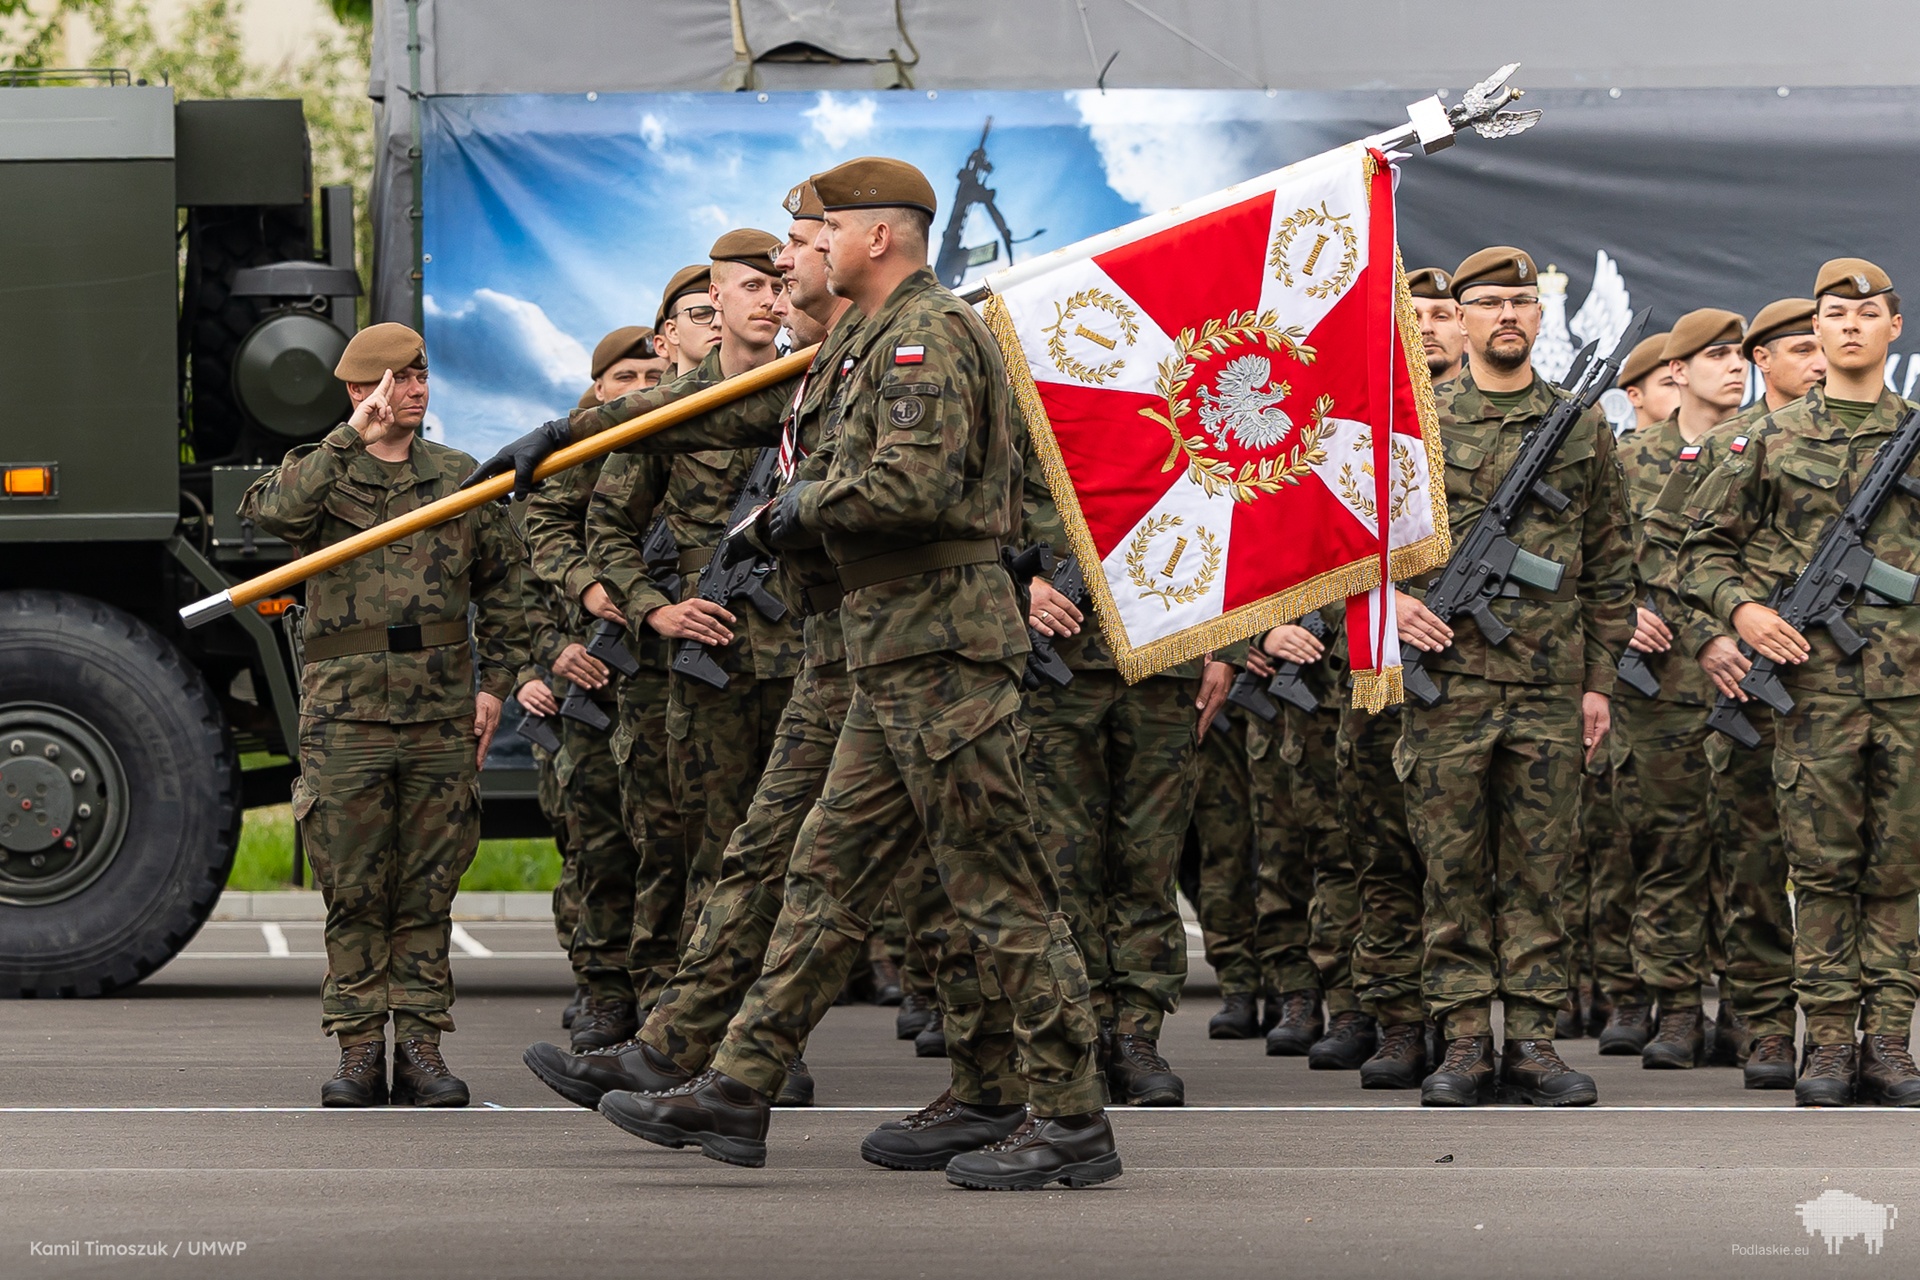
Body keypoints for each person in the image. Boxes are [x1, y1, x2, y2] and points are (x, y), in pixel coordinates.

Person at [593, 157, 1117, 1190]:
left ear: (880, 236)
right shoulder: (862, 345)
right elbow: (765, 426)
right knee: (824, 874)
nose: (810, 249)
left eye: (826, 230)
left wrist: (789, 513)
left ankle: (1071, 1116)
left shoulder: (929, 337)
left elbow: (910, 485)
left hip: (944, 653)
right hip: (892, 651)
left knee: (1001, 892)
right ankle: (739, 1084)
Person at [240, 323, 523, 1107]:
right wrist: (347, 438)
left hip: (438, 713)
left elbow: (509, 587)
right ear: (361, 390)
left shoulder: (460, 478)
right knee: (354, 886)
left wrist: (494, 682)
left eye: (422, 373)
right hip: (347, 716)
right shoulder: (321, 477)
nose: (416, 388)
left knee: (428, 887)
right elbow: (268, 515)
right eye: (398, 376)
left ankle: (423, 1049)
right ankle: (360, 1049)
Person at [1678, 258, 1920, 1108]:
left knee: (1899, 872)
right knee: (1820, 873)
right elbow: (1699, 548)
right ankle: (1826, 1043)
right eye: (1834, 315)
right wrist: (1740, 612)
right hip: (1813, 696)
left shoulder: (1916, 431)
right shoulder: (1767, 440)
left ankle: (1889, 1043)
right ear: (1814, 336)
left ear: (1895, 329)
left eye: (1869, 313)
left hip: (1910, 695)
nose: (1850, 326)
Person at [1398, 247, 1635, 1108]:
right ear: (1456, 316)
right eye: (1490, 301)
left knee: (1542, 867)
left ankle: (1533, 1040)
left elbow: (1611, 565)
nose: (1508, 314)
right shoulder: (1413, 422)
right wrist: (1389, 606)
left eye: (1524, 301)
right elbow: (1358, 548)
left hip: (1547, 687)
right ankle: (1463, 1041)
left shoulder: (1579, 426)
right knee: (1452, 865)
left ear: (1541, 316)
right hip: (1446, 686)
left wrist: (1599, 681)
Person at [1605, 310, 1747, 1068]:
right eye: (1715, 356)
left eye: (1739, 355)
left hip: (1750, 684)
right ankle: (1677, 1008)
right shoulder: (1628, 461)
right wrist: (1624, 610)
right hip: (1658, 690)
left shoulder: (1764, 447)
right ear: (1678, 372)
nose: (1735, 368)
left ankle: (1748, 1010)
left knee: (1747, 855)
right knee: (1668, 852)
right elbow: (1597, 557)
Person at [1742, 298, 1826, 414]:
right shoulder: (1737, 432)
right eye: (1803, 351)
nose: (1822, 366)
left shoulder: (1855, 428)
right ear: (1763, 359)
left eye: (1827, 351)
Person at [1408, 266, 1467, 385]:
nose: (1427, 328)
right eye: (1412, 318)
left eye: (1441, 317)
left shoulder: (1494, 403)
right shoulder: (1371, 403)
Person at [1618, 333, 1682, 432]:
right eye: (1670, 383)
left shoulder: (1707, 445)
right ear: (1635, 396)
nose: (1686, 391)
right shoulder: (1617, 448)